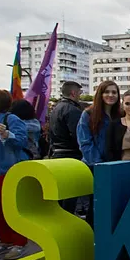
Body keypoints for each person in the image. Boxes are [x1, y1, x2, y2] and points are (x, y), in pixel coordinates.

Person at [77, 80, 120, 227]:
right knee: (95, 207)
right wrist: (99, 164)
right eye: (107, 92)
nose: (110, 95)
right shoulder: (88, 114)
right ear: (100, 94)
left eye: (114, 92)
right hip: (94, 167)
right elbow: (85, 142)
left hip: (115, 166)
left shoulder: (119, 114)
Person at [0, 89, 29, 260]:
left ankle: (18, 243)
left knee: (11, 208)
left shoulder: (11, 119)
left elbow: (22, 141)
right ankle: (5, 240)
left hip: (8, 170)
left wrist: (6, 134)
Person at [48, 81, 84, 214]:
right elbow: (78, 136)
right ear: (73, 93)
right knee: (70, 196)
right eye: (80, 93)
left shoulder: (56, 108)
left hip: (56, 154)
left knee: (61, 195)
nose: (80, 96)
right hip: (70, 156)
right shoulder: (73, 110)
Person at [106, 89, 130, 177]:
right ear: (122, 104)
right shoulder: (114, 124)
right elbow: (109, 149)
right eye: (127, 103)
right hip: (120, 166)